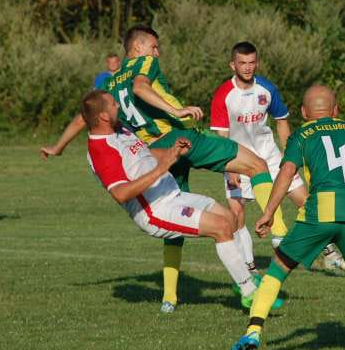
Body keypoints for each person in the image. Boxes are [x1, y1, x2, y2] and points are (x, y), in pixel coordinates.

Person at [41, 25, 278, 312]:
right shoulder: (143, 66)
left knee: (223, 218)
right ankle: (277, 241)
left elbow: (84, 117)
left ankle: (171, 296)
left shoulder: (113, 97)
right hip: (173, 150)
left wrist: (58, 146)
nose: (158, 52)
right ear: (138, 48)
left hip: (163, 156)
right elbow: (140, 88)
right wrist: (175, 111)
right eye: (154, 46)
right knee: (256, 165)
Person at [227, 85, 345, 350]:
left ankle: (253, 331)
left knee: (278, 268)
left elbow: (287, 172)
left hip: (320, 210)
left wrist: (270, 212)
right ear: (336, 111)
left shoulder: (302, 134)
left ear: (303, 113)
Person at [81, 90, 278, 310]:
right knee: (221, 227)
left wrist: (171, 152)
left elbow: (143, 155)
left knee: (229, 218)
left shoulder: (121, 129)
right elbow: (121, 193)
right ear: (103, 117)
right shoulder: (100, 149)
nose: (117, 105)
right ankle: (250, 291)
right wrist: (162, 169)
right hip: (155, 211)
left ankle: (242, 280)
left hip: (172, 195)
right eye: (112, 104)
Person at [210, 41, 345, 270]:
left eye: (252, 62)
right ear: (232, 65)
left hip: (270, 156)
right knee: (237, 213)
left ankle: (330, 252)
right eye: (242, 63)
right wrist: (229, 167)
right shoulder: (223, 95)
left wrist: (289, 153)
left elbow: (281, 120)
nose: (247, 67)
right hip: (237, 159)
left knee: (306, 201)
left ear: (257, 63)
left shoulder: (267, 89)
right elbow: (221, 136)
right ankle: (250, 269)